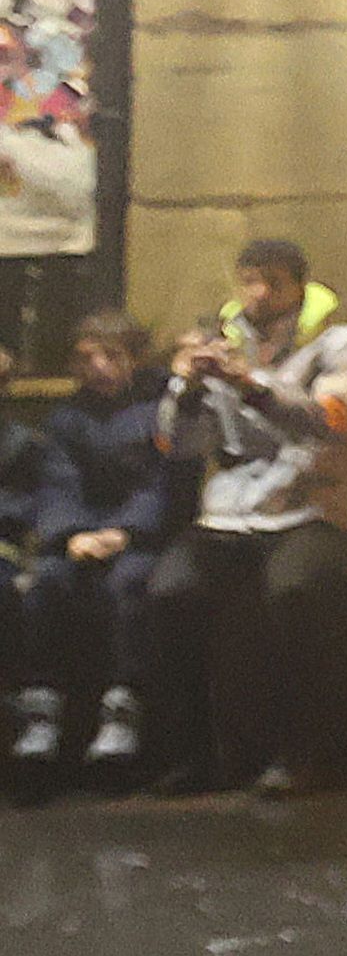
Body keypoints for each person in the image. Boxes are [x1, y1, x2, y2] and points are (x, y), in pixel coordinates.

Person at [147, 241, 347, 794]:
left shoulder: (338, 344)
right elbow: (175, 445)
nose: (258, 294)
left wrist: (250, 384)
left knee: (293, 592)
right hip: (229, 515)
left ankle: (310, 753)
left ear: (300, 287)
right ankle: (200, 755)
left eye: (272, 282)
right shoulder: (220, 340)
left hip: (311, 508)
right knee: (169, 593)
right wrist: (187, 385)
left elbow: (327, 421)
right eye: (249, 281)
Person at [9, 314, 179, 780]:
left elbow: (161, 482)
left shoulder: (157, 411)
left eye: (110, 356)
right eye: (86, 358)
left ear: (135, 360)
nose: (98, 367)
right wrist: (72, 533)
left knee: (129, 584)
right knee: (47, 582)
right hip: (82, 534)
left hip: (138, 537)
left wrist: (125, 531)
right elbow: (58, 483)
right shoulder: (67, 418)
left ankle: (122, 710)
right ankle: (42, 709)